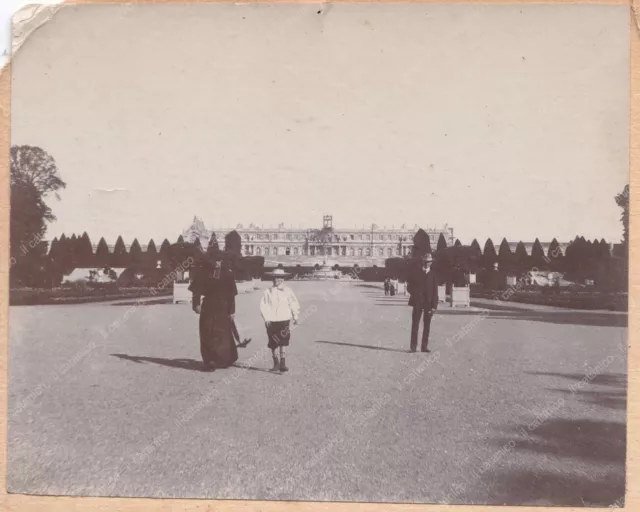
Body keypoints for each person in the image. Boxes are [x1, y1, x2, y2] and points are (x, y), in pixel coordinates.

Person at [189, 254, 239, 371]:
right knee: (207, 331)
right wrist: (196, 304)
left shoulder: (228, 274)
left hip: (223, 307)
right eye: (215, 260)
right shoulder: (204, 272)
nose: (217, 263)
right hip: (208, 306)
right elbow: (196, 290)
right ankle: (209, 361)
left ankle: (222, 359)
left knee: (222, 334)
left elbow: (231, 295)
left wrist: (232, 311)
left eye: (220, 261)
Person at [260, 268, 301, 373]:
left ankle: (283, 363)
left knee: (283, 341)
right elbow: (264, 306)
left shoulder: (288, 291)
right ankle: (276, 362)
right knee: (273, 342)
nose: (276, 280)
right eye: (274, 277)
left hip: (284, 319)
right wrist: (266, 318)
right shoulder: (267, 291)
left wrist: (295, 316)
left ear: (283, 279)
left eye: (279, 277)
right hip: (272, 320)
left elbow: (293, 303)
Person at [407, 253, 438, 353]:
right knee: (415, 324)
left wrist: (434, 306)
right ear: (423, 262)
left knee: (427, 326)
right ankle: (413, 346)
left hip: (428, 303)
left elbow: (435, 291)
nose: (427, 264)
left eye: (429, 262)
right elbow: (409, 287)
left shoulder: (433, 275)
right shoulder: (416, 273)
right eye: (426, 262)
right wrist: (415, 294)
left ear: (431, 263)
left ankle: (424, 347)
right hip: (417, 302)